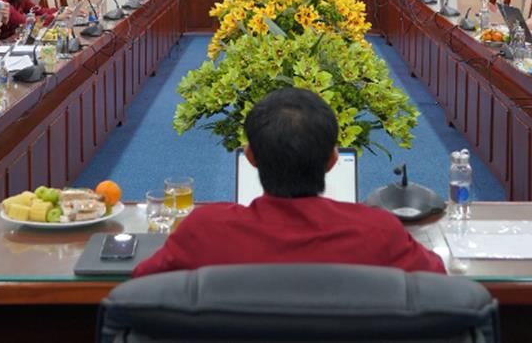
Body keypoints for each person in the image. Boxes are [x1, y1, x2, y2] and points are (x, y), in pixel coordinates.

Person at [132, 88, 446, 277]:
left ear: (250, 157)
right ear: (333, 160)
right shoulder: (378, 231)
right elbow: (438, 280)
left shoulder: (205, 229)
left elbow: (138, 287)